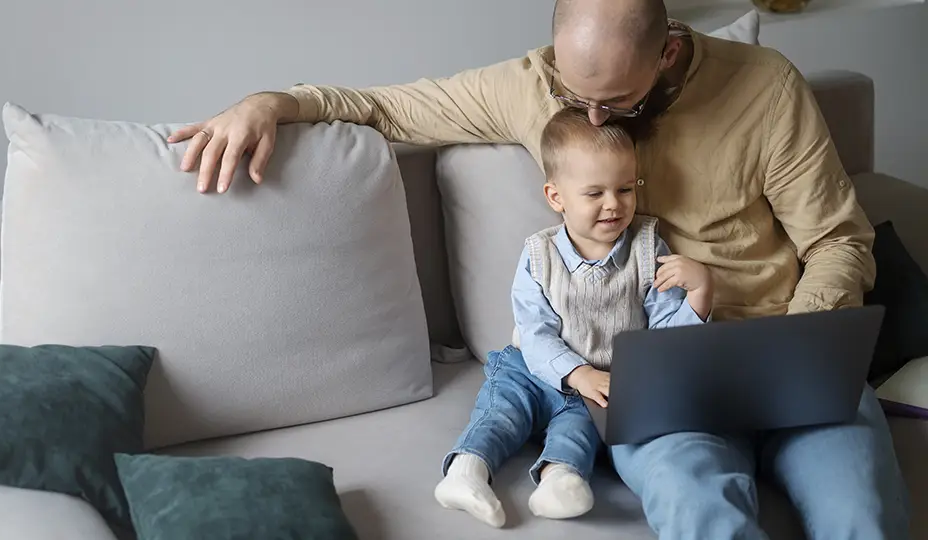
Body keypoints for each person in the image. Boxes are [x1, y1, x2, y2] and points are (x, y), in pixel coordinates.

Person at [168, 0, 911, 537]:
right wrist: (272, 101)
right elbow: (386, 108)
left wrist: (797, 343)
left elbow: (839, 241)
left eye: (613, 100)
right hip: (660, 377)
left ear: (669, 55)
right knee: (701, 516)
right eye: (572, 93)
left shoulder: (765, 86)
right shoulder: (537, 86)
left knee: (861, 517)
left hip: (786, 345)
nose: (588, 117)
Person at [435, 109, 712, 529]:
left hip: (600, 381)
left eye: (625, 188)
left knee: (581, 427)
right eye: (594, 193)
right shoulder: (538, 255)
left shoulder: (648, 249)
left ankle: (559, 479)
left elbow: (664, 344)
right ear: (556, 197)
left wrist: (699, 295)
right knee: (503, 407)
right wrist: (575, 371)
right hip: (533, 368)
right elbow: (535, 331)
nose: (613, 205)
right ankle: (467, 470)